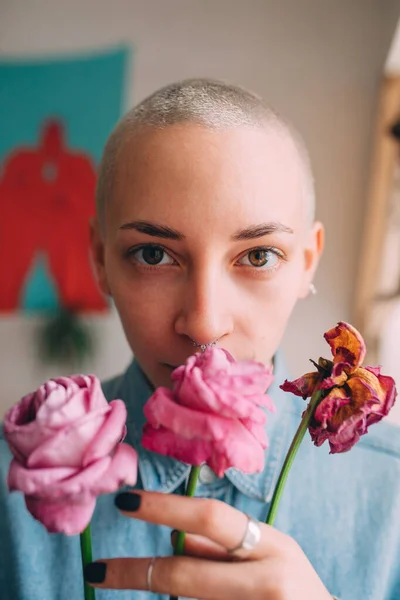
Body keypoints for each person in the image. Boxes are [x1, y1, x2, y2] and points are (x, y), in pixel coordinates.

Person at [1, 78, 400, 600]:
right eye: (152, 254)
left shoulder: (391, 498)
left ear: (307, 262)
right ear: (100, 261)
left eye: (258, 256)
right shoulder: (10, 493)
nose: (206, 325)